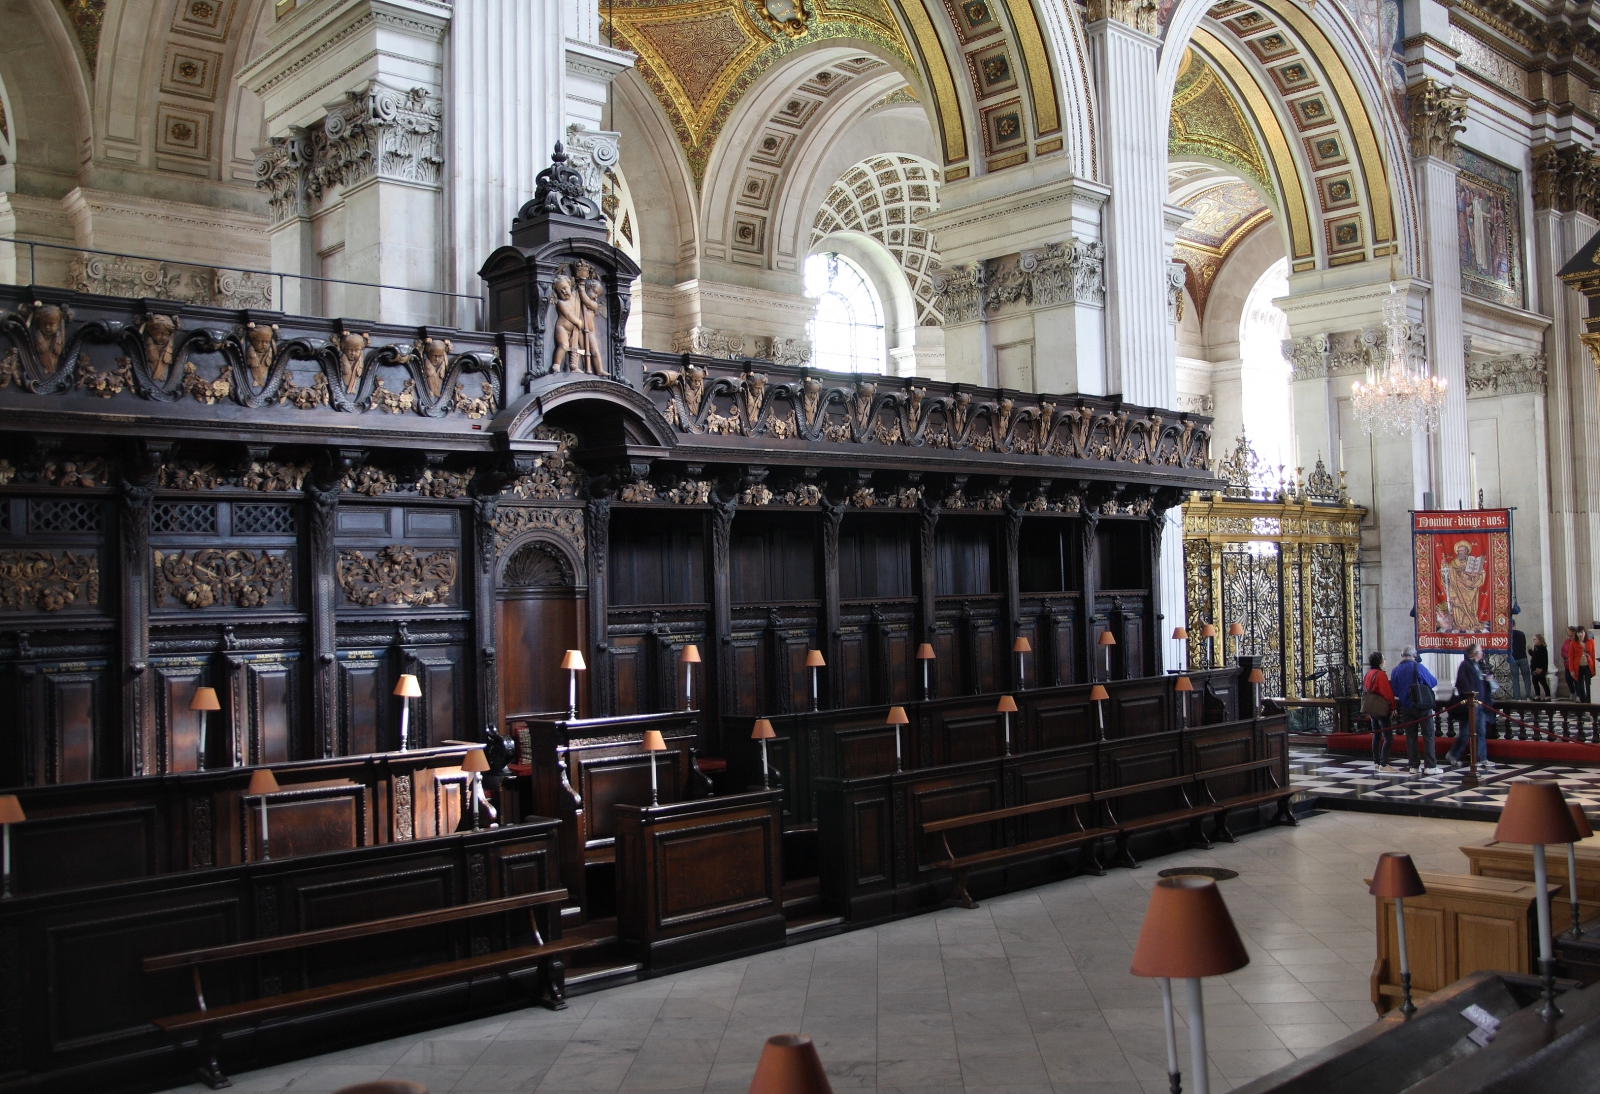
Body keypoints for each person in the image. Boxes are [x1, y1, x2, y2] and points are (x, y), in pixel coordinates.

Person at [1390, 646, 1439, 773]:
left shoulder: (1396, 670)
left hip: (1406, 707)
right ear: (1414, 655)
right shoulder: (1419, 667)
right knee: (1428, 734)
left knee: (1410, 736)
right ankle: (1430, 766)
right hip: (1421, 706)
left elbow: (1394, 690)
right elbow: (1433, 682)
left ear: (1402, 655)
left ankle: (1413, 766)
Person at [1447, 641, 1494, 769]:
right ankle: (1453, 754)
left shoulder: (1477, 665)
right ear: (1474, 653)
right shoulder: (1465, 665)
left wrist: (1486, 680)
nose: (1482, 654)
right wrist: (1472, 698)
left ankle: (1481, 758)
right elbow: (1463, 684)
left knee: (1481, 732)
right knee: (1465, 732)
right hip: (1470, 706)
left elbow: (1478, 682)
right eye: (1480, 651)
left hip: (1480, 705)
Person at [1362, 651, 1397, 769]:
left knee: (1376, 735)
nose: (1385, 661)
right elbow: (1387, 693)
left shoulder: (1368, 673)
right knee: (1388, 737)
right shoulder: (1381, 675)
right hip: (1381, 708)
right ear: (1380, 662)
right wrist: (1392, 707)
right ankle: (1384, 763)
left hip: (1371, 707)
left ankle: (1376, 762)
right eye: (1383, 659)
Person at [1509, 625, 1531, 700]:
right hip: (1523, 657)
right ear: (1514, 625)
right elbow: (1524, 644)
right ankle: (1528, 696)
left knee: (1515, 678)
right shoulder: (1521, 633)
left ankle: (1518, 697)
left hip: (1513, 658)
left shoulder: (1508, 635)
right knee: (1526, 677)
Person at [1531, 633, 1551, 699]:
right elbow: (1534, 656)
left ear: (1539, 640)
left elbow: (1543, 659)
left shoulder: (1543, 648)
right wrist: (1530, 651)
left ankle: (1548, 695)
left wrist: (1541, 668)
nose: (1534, 640)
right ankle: (1537, 695)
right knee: (1535, 682)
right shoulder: (1536, 648)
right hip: (1534, 668)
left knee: (1543, 682)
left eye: (1535, 639)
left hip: (1540, 668)